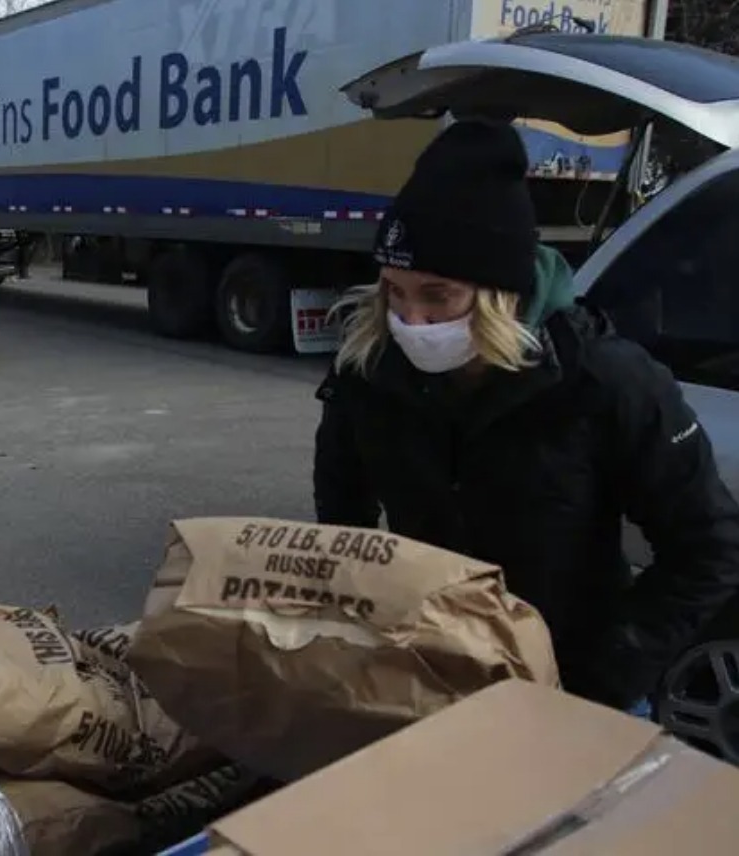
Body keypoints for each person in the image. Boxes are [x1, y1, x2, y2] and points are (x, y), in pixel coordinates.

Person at [313, 120, 739, 711]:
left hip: (575, 687)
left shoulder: (603, 380)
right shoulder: (370, 367)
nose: (412, 319)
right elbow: (342, 505)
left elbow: (710, 548)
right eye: (394, 291)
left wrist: (601, 677)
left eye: (438, 295)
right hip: (429, 671)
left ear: (501, 294)